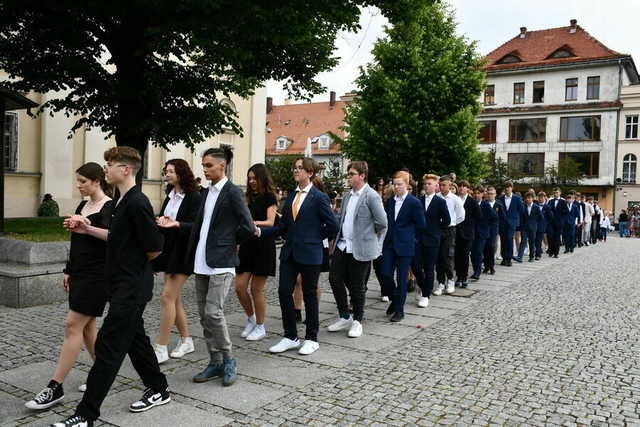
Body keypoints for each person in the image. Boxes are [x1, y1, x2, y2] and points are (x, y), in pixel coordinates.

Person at [52, 147, 168, 427]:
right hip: (119, 285)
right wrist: (87, 229)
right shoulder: (120, 201)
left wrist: (129, 263)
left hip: (131, 287)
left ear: (125, 170)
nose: (106, 169)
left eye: (110, 164)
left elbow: (154, 249)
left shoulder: (137, 202)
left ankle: (86, 415)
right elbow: (116, 236)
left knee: (107, 348)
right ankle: (159, 388)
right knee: (136, 341)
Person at [26, 163, 112, 411]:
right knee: (87, 329)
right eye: (78, 181)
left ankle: (55, 386)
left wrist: (87, 226)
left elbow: (112, 237)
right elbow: (77, 242)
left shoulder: (109, 206)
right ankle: (102, 374)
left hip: (98, 276)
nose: (79, 185)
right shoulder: (83, 205)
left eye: (83, 181)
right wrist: (68, 270)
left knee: (72, 324)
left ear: (97, 181)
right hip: (80, 273)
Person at [186, 147, 255, 386]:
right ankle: (214, 362)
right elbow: (201, 225)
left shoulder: (233, 192)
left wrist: (229, 243)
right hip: (201, 261)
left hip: (222, 263)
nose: (204, 169)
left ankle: (229, 360)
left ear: (221, 166)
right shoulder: (206, 193)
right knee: (205, 316)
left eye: (208, 165)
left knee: (214, 313)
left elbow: (248, 226)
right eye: (203, 165)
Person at [258, 157, 338, 355]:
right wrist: (261, 232)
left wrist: (312, 237)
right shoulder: (292, 196)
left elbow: (333, 226)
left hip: (310, 253)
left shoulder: (319, 197)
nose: (295, 171)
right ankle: (290, 336)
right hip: (290, 253)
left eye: (300, 168)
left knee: (310, 295)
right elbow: (283, 226)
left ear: (310, 173)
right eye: (294, 168)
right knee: (284, 292)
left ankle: (312, 337)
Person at [327, 161, 387, 337]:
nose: (349, 177)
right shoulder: (347, 196)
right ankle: (344, 315)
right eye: (348, 174)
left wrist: (369, 238)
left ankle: (357, 321)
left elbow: (382, 222)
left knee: (357, 286)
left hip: (360, 247)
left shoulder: (371, 196)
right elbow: (343, 219)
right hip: (343, 245)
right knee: (334, 278)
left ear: (362, 176)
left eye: (352, 174)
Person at [151, 159, 202, 364]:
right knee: (174, 299)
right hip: (170, 250)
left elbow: (196, 226)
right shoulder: (170, 196)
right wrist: (162, 222)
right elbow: (168, 220)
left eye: (171, 171)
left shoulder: (194, 197)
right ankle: (186, 340)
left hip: (185, 252)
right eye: (166, 171)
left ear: (181, 173)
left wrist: (176, 223)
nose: (167, 174)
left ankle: (161, 347)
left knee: (166, 297)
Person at [235, 164, 278, 342]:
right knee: (239, 287)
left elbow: (270, 222)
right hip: (247, 245)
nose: (252, 181)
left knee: (256, 289)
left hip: (263, 246)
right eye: (249, 178)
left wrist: (253, 223)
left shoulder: (270, 197)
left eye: (254, 178)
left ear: (262, 178)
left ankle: (260, 326)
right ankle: (251, 318)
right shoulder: (247, 198)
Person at [381, 171, 425, 322]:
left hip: (405, 246)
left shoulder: (414, 203)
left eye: (399, 184)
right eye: (395, 184)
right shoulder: (390, 201)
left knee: (401, 279)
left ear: (407, 185)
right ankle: (395, 299)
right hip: (389, 244)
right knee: (385, 274)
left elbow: (421, 225)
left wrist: (411, 239)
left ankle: (399, 310)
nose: (396, 187)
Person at [416, 174, 450, 306]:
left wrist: (437, 232)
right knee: (417, 266)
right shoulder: (418, 200)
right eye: (425, 184)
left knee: (429, 268)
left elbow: (446, 220)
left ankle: (426, 295)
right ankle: (423, 285)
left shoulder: (440, 202)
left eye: (429, 184)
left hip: (433, 239)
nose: (426, 186)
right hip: (418, 239)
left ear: (436, 186)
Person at [434, 175, 464, 295]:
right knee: (438, 257)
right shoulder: (436, 197)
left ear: (450, 185)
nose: (442, 187)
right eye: (440, 185)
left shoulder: (455, 199)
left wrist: (452, 223)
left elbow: (461, 215)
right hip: (437, 229)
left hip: (449, 229)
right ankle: (441, 282)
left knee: (447, 256)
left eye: (444, 185)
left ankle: (450, 280)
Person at [454, 180, 480, 288]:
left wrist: (470, 225)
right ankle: (458, 276)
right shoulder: (454, 199)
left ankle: (464, 277)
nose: (461, 188)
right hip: (455, 232)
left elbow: (479, 216)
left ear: (468, 189)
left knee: (464, 255)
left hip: (468, 233)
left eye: (464, 186)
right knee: (456, 255)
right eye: (459, 186)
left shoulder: (472, 201)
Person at [470, 185, 495, 281]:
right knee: (472, 253)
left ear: (482, 194)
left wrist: (487, 226)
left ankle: (477, 272)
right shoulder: (471, 203)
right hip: (472, 232)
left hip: (482, 233)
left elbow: (494, 217)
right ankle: (476, 269)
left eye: (478, 193)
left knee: (479, 252)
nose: (476, 195)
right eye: (475, 193)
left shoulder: (485, 205)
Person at [497, 181, 523, 266]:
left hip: (512, 223)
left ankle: (509, 258)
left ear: (512, 188)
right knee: (503, 240)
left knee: (509, 238)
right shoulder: (500, 198)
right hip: (503, 223)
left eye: (509, 187)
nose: (507, 189)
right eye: (506, 187)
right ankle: (504, 258)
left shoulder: (517, 198)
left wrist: (515, 219)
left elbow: (521, 210)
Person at [515, 191, 541, 263]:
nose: (528, 199)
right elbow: (521, 216)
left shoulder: (536, 207)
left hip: (533, 227)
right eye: (526, 198)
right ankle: (520, 257)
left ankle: (532, 257)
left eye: (529, 198)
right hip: (524, 227)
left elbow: (541, 217)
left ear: (533, 198)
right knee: (523, 241)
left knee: (531, 242)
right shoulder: (523, 206)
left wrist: (535, 223)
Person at [483, 186, 502, 275]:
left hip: (494, 229)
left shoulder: (498, 204)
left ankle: (491, 266)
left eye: (492, 194)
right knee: (485, 248)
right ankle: (486, 266)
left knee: (491, 247)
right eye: (489, 194)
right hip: (485, 228)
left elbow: (503, 217)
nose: (490, 195)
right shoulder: (484, 204)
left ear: (495, 195)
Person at [547, 188, 568, 258]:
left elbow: (566, 211)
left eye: (557, 192)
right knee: (550, 236)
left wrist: (561, 215)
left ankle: (556, 253)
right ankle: (551, 251)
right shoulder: (550, 201)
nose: (555, 194)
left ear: (560, 193)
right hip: (551, 222)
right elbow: (547, 210)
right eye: (554, 192)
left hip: (559, 222)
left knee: (557, 237)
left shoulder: (563, 201)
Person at [535, 192, 552, 260]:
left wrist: (546, 223)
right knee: (535, 241)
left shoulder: (547, 206)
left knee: (539, 240)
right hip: (535, 225)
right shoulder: (535, 205)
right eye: (539, 197)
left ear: (545, 198)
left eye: (542, 197)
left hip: (542, 226)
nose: (540, 199)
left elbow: (550, 217)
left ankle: (538, 255)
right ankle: (537, 251)